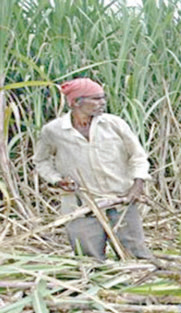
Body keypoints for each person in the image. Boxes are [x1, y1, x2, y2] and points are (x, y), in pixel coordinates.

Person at [33, 78, 152, 260]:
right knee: (89, 259)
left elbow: (138, 156)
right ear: (75, 102)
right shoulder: (54, 131)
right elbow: (41, 161)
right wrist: (57, 180)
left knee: (135, 255)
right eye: (95, 99)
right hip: (81, 203)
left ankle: (136, 284)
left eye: (103, 98)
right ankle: (97, 287)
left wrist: (137, 184)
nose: (102, 102)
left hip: (121, 199)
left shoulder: (114, 124)